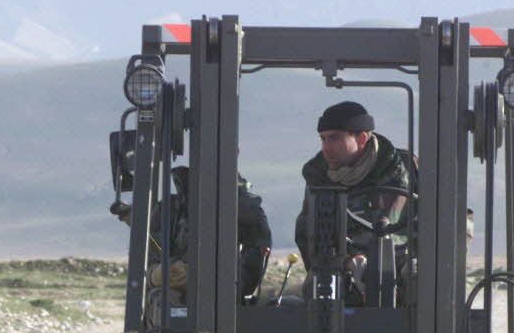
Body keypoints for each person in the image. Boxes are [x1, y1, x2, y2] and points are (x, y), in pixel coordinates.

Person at [294, 101, 413, 301]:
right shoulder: (320, 178)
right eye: (323, 139)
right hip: (345, 271)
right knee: (317, 287)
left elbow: (446, 223)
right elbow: (308, 234)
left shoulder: (407, 169)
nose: (326, 148)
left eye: (334, 138)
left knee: (418, 280)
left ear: (362, 138)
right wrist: (349, 262)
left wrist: (402, 263)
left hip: (402, 267)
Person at [125, 166, 273, 308]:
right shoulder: (171, 210)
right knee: (164, 301)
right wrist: (155, 275)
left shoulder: (245, 211)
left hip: (224, 307)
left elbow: (249, 275)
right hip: (174, 308)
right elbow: (146, 261)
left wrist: (202, 279)